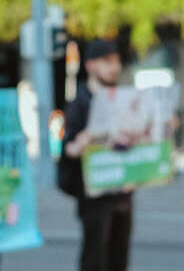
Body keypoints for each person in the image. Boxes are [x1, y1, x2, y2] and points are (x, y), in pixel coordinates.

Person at [60, 40, 134, 271]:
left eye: (116, 62)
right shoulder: (79, 103)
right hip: (94, 196)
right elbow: (67, 150)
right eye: (107, 62)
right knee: (95, 258)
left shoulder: (123, 99)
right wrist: (83, 141)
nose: (114, 67)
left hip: (123, 191)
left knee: (119, 257)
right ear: (91, 65)